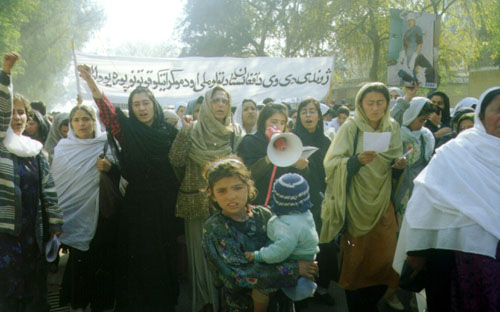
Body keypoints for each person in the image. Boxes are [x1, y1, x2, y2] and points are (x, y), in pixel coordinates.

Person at [77, 64, 180, 311]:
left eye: (146, 103)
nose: (142, 108)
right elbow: (106, 108)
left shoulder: (170, 132)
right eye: (136, 104)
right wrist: (90, 80)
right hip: (138, 205)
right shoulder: (127, 130)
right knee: (138, 257)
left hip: (165, 204)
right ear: (131, 108)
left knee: (164, 257)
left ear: (153, 104)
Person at [393, 86, 500, 311]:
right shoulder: (456, 152)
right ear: (480, 114)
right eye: (497, 110)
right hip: (456, 264)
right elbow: (425, 201)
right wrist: (417, 251)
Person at [320, 82, 406, 312]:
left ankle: (372, 301)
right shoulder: (351, 127)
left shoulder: (393, 126)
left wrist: (399, 165)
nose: (375, 108)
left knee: (386, 258)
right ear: (360, 104)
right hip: (355, 203)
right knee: (356, 260)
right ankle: (358, 307)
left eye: (380, 102)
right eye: (370, 103)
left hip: (382, 201)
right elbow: (330, 163)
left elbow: (394, 160)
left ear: (387, 104)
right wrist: (355, 161)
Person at [202, 157, 319, 312]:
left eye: (237, 187)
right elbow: (238, 274)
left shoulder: (265, 214)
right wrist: (295, 269)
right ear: (212, 194)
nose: (231, 196)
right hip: (243, 305)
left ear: (248, 187)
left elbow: (290, 242)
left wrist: (306, 262)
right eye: (222, 190)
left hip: (280, 301)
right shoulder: (215, 228)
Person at [169, 86, 243, 312]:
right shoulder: (191, 131)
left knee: (227, 254)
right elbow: (176, 162)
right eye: (215, 100)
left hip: (227, 205)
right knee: (201, 258)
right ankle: (206, 303)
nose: (220, 105)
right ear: (207, 105)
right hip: (196, 203)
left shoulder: (235, 132)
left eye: (224, 101)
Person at [0, 52, 63, 312]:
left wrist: (56, 224)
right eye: (12, 112)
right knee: (7, 290)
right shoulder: (2, 146)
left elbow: (48, 190)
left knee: (33, 289)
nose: (17, 117)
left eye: (22, 112)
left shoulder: (36, 149)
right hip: (5, 233)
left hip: (32, 231)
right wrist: (6, 73)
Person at [53, 104, 117, 312]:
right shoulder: (63, 148)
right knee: (79, 264)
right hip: (75, 217)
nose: (82, 123)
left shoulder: (106, 143)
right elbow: (57, 186)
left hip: (102, 215)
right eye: (77, 119)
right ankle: (78, 305)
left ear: (94, 121)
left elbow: (123, 175)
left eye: (86, 118)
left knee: (102, 263)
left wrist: (110, 168)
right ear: (71, 124)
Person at [244, 173, 319, 309]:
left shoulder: (288, 226)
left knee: (261, 289)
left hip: (294, 256)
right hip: (305, 254)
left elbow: (278, 252)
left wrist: (257, 255)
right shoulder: (304, 214)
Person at [292, 98, 336, 306]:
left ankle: (322, 288)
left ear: (319, 116)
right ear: (298, 116)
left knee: (323, 245)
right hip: (295, 201)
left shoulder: (327, 142)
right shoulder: (290, 140)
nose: (308, 116)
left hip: (319, 200)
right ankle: (300, 291)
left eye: (312, 111)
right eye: (304, 112)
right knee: (300, 247)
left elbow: (330, 172)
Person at [237, 103, 308, 205]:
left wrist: (302, 167)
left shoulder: (288, 142)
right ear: (263, 122)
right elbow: (248, 175)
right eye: (273, 122)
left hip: (281, 201)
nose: (278, 126)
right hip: (257, 201)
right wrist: (268, 159)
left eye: (282, 123)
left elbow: (295, 176)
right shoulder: (250, 141)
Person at [393, 97, 435, 224]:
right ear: (410, 116)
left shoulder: (425, 137)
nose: (423, 124)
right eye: (421, 120)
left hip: (417, 193)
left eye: (425, 120)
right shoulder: (395, 134)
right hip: (396, 190)